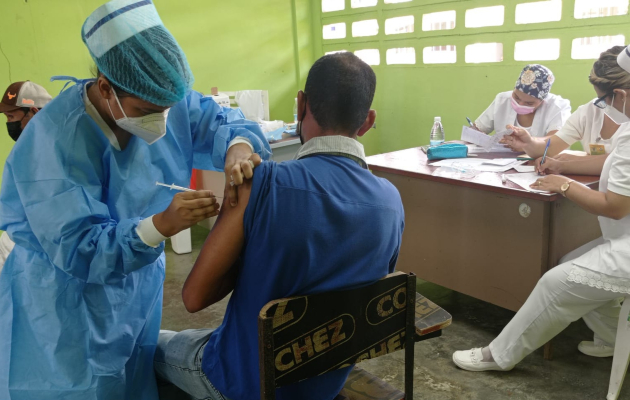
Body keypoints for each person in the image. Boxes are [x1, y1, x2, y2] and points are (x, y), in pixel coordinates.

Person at [0, 1, 271, 399]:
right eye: (146, 111)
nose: (161, 122)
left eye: (165, 109)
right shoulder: (53, 140)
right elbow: (79, 248)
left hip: (136, 283)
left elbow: (219, 120)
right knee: (75, 386)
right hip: (63, 301)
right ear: (106, 87)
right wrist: (160, 226)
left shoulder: (165, 100)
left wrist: (239, 146)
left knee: (132, 375)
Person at [153, 53, 405, 400]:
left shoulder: (261, 183)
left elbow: (194, 297)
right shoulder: (392, 202)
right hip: (324, 380)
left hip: (242, 383)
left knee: (150, 345)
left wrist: (249, 244)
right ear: (368, 121)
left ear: (300, 104)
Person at [452, 44, 630, 375]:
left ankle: (498, 355)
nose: (602, 104)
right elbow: (555, 147)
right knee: (569, 263)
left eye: (606, 98)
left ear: (621, 94)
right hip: (621, 236)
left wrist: (563, 183)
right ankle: (613, 340)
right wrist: (535, 148)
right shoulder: (601, 115)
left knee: (555, 281)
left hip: (626, 239)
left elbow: (616, 207)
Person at [502, 46, 630, 176]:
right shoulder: (590, 112)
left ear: (620, 95)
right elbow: (551, 146)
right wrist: (529, 142)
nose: (601, 104)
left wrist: (565, 172)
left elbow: (619, 162)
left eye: (602, 98)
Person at [0, 81, 53, 272]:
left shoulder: (63, 148)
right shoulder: (24, 150)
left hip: (43, 251)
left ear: (33, 111)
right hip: (21, 243)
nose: (9, 123)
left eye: (11, 116)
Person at [474, 64, 571, 138]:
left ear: (543, 100)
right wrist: (478, 137)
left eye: (529, 103)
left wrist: (527, 144)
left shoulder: (558, 107)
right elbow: (477, 129)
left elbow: (554, 142)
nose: (520, 104)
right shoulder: (502, 99)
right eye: (516, 97)